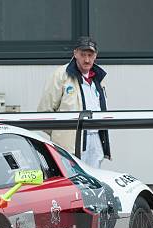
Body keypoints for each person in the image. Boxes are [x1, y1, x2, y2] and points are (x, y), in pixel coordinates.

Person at [37, 36, 111, 168]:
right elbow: (44, 112)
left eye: (90, 55)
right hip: (69, 144)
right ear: (75, 53)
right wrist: (61, 135)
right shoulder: (61, 75)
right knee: (72, 183)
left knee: (94, 182)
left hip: (95, 140)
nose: (87, 59)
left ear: (96, 56)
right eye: (83, 55)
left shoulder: (99, 79)